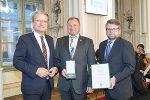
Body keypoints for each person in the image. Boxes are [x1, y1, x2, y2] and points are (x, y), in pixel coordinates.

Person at [13, 11, 57, 100]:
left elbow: (53, 60)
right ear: (32, 23)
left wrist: (55, 68)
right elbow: (17, 61)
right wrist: (36, 70)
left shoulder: (50, 39)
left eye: (44, 21)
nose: (41, 23)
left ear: (47, 24)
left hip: (48, 86)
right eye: (38, 20)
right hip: (31, 88)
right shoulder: (24, 39)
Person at [55, 17, 95, 100]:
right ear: (67, 27)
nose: (72, 27)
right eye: (69, 25)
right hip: (64, 83)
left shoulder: (88, 42)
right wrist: (61, 69)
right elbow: (56, 60)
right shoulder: (60, 41)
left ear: (79, 26)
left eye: (74, 25)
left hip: (81, 84)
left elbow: (92, 64)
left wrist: (91, 83)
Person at [98, 19, 135, 100]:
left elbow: (130, 68)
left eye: (114, 29)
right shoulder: (102, 45)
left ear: (119, 31)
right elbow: (101, 61)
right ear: (106, 30)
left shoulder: (126, 45)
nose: (111, 31)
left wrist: (115, 78)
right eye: (108, 29)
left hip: (121, 90)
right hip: (107, 88)